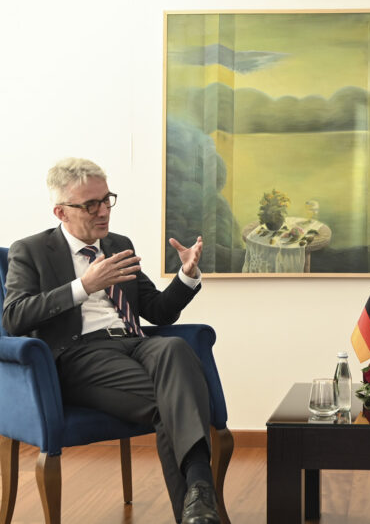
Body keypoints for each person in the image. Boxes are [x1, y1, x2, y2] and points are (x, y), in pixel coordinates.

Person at [2, 158, 219, 524]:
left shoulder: (118, 245)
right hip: (80, 354)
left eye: (106, 200)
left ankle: (198, 501)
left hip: (135, 343)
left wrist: (187, 275)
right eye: (91, 205)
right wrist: (83, 286)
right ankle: (200, 496)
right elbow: (14, 317)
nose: (103, 211)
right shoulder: (32, 250)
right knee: (177, 400)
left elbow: (158, 312)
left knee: (175, 347)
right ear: (61, 211)